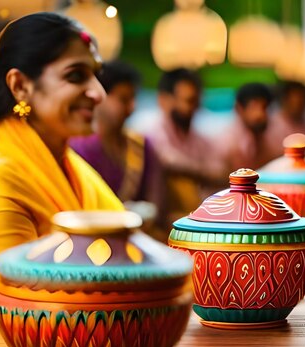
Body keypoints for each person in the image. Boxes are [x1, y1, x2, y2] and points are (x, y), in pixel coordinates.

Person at [0, 13, 123, 347]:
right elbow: (34, 310)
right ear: (20, 86)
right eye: (76, 76)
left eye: (97, 75)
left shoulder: (70, 165)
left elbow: (128, 253)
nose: (98, 93)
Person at [69, 60, 167, 232]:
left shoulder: (141, 146)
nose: (132, 107)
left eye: (133, 99)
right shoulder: (78, 148)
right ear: (100, 98)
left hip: (140, 233)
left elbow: (156, 203)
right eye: (124, 99)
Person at [147, 68, 223, 224]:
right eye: (187, 100)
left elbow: (220, 173)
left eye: (195, 101)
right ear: (164, 100)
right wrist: (202, 173)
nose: (191, 108)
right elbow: (167, 160)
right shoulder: (152, 133)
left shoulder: (200, 140)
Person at [219, 82, 275, 172]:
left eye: (263, 107)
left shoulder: (268, 136)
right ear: (239, 108)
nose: (259, 114)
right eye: (254, 107)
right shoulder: (228, 142)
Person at [267, 81, 305, 153]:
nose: (298, 107)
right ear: (285, 100)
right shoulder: (271, 125)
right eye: (294, 102)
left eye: (302, 102)